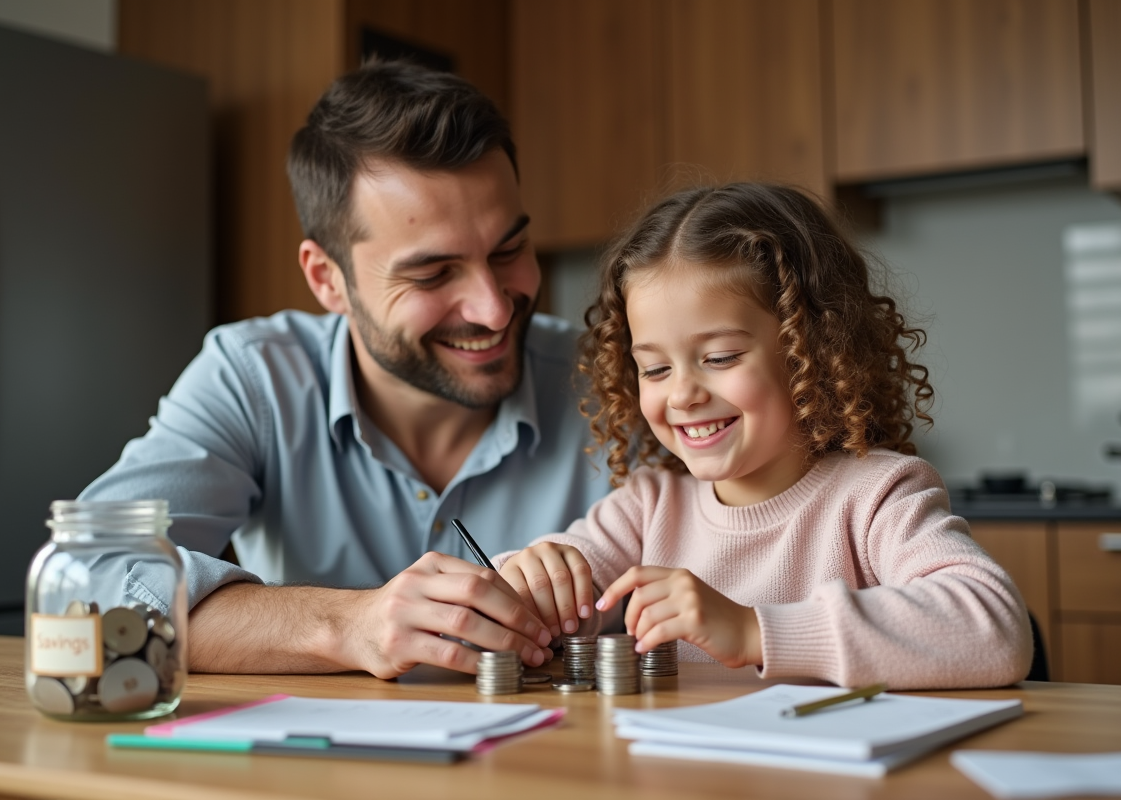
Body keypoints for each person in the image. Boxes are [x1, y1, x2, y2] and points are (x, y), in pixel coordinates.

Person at [79, 60, 612, 679]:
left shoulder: (620, 382)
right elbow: (87, 582)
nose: (494, 309)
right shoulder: (254, 378)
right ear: (326, 278)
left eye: (509, 250)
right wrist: (350, 624)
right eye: (432, 273)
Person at [497, 182, 1033, 689]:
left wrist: (754, 630)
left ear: (812, 352)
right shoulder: (648, 506)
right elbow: (533, 603)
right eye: (655, 370)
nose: (682, 394)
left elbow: (996, 628)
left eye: (720, 358)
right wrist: (534, 576)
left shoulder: (875, 496)